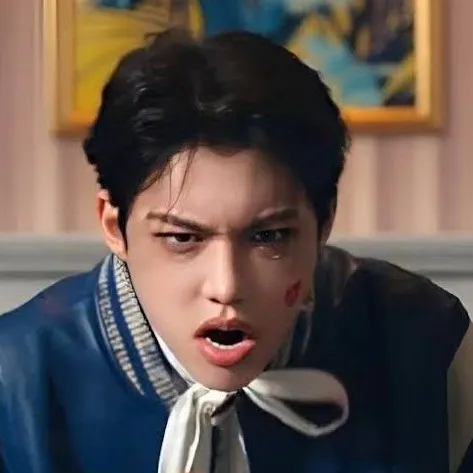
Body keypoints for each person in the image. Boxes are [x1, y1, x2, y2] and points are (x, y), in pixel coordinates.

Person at [0, 28, 470, 473]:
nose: (226, 286)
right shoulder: (16, 380)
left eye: (269, 237)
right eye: (183, 238)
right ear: (113, 225)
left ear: (324, 222)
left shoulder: (424, 341)